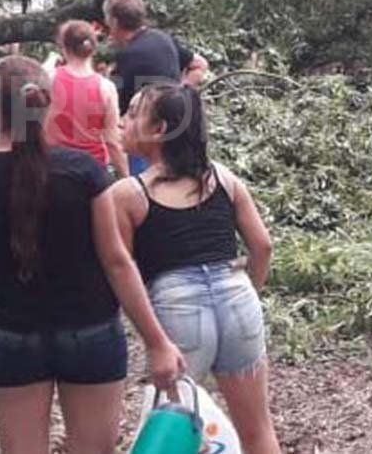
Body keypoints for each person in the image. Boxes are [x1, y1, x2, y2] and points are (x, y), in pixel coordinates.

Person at [0, 56, 185, 452]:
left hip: (14, 332)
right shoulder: (84, 171)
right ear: (47, 105)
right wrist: (157, 341)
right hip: (91, 329)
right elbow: (116, 260)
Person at [112, 83, 282, 454]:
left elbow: (123, 272)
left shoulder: (127, 195)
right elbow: (262, 246)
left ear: (159, 130)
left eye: (132, 113)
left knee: (172, 435)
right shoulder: (222, 178)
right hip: (237, 296)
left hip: (177, 308)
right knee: (258, 430)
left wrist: (152, 338)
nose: (122, 121)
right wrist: (248, 289)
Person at [103, 0, 201, 174]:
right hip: (179, 133)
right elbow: (199, 64)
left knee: (146, 191)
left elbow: (116, 109)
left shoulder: (128, 56)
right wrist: (181, 94)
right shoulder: (162, 38)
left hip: (146, 140)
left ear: (114, 22)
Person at [46, 20, 128, 178]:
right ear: (93, 48)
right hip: (92, 170)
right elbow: (112, 141)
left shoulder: (50, 79)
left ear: (63, 47)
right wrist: (125, 176)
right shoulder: (106, 88)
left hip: (54, 167)